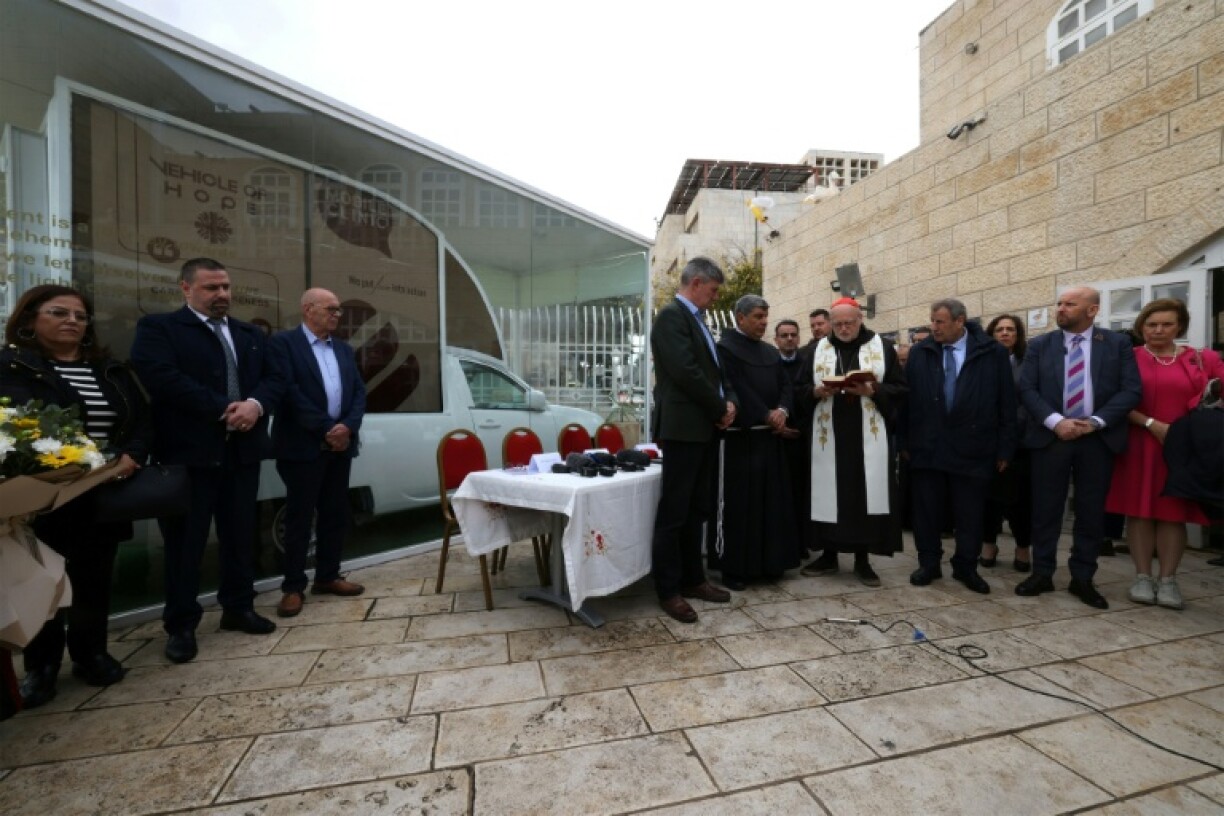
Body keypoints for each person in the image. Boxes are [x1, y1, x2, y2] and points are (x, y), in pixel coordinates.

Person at [131, 257, 285, 663]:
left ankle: (238, 608)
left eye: (226, 287)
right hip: (189, 456)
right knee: (185, 545)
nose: (222, 295)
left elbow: (275, 379)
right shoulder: (160, 329)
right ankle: (181, 625)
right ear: (185, 288)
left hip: (242, 454)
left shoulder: (250, 334)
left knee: (240, 536)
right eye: (211, 287)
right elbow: (161, 377)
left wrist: (255, 405)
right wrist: (223, 408)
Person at [1, 285, 148, 707]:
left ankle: (90, 654)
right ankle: (42, 666)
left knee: (93, 579)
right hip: (41, 496)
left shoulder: (110, 369)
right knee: (43, 581)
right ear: (30, 319)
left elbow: (141, 420)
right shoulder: (12, 365)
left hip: (103, 491)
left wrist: (131, 456)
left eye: (80, 316)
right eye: (59, 312)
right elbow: (17, 424)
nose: (72, 321)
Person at [1015, 286, 1141, 609]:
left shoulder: (1116, 344)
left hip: (1096, 439)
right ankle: (1042, 572)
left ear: (1092, 310)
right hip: (1051, 438)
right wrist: (1056, 421)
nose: (1061, 308)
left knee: (1090, 511)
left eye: (1070, 304)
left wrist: (1096, 422)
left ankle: (1083, 577)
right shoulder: (1040, 345)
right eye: (1059, 303)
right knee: (1046, 510)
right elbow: (1027, 388)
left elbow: (1130, 390)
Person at [1105, 298, 1224, 609]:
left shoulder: (1202, 359)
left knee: (1174, 513)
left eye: (1167, 324)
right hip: (1139, 443)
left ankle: (1169, 580)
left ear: (1179, 327)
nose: (1158, 330)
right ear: (1141, 326)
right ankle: (1142, 576)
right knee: (1139, 511)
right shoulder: (1126, 358)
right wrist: (1150, 423)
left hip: (1184, 448)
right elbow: (1111, 400)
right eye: (1151, 324)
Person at [901, 299, 1015, 594]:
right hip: (928, 446)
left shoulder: (991, 353)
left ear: (960, 321)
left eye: (939, 321)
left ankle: (966, 566)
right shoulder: (920, 353)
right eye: (932, 321)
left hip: (973, 447)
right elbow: (906, 400)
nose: (934, 327)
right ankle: (929, 563)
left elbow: (1006, 402)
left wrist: (1005, 448)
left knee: (970, 514)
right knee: (927, 512)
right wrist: (904, 441)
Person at [269, 288, 367, 618]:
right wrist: (327, 427)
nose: (337, 315)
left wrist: (347, 427)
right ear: (308, 309)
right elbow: (289, 393)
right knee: (299, 517)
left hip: (340, 447)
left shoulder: (343, 349)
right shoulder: (284, 344)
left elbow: (359, 393)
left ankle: (327, 576)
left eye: (339, 310)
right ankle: (293, 587)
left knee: (334, 514)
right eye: (331, 309)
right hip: (303, 445)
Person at [650, 257, 737, 623]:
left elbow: (715, 372)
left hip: (704, 427)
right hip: (684, 428)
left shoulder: (699, 321)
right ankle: (668, 589)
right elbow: (685, 372)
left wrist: (729, 402)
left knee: (696, 509)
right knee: (674, 512)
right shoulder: (672, 317)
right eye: (713, 290)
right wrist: (718, 407)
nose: (715, 298)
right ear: (697, 283)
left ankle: (693, 579)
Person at [798, 297, 906, 586]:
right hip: (828, 436)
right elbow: (797, 388)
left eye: (849, 323)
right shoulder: (816, 350)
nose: (844, 329)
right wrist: (815, 392)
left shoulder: (882, 347)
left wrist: (873, 391)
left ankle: (862, 559)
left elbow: (900, 389)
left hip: (867, 438)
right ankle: (828, 555)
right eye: (838, 324)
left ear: (860, 320)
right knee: (829, 494)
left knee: (863, 496)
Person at [707, 296, 801, 589]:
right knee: (739, 507)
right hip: (740, 440)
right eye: (758, 316)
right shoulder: (724, 350)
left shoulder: (771, 352)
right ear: (740, 317)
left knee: (770, 505)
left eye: (765, 316)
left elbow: (786, 386)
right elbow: (736, 388)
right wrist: (764, 413)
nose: (764, 322)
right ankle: (735, 568)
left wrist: (782, 410)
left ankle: (769, 563)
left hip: (769, 439)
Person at [980, 314, 1032, 572]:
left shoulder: (1029, 362)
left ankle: (1022, 546)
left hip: (1021, 441)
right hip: (988, 441)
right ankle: (989, 543)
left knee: (1020, 500)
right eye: (999, 329)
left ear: (1018, 335)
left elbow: (1030, 399)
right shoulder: (983, 363)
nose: (1004, 333)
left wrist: (1010, 426)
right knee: (988, 498)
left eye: (1010, 329)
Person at [775, 319, 811, 547]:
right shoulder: (769, 363)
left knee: (801, 492)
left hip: (802, 437)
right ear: (776, 339)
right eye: (784, 335)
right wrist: (779, 427)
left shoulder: (808, 363)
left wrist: (801, 428)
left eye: (793, 335)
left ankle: (800, 543)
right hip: (776, 436)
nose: (789, 339)